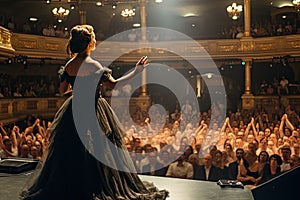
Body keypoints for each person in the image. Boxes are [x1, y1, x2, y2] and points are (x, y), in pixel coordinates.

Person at [20, 24, 168, 200]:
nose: (95, 40)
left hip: (73, 110)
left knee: (72, 149)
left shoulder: (69, 65)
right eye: (93, 38)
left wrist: (80, 89)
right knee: (99, 150)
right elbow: (114, 85)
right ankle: (94, 187)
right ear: (88, 43)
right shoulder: (93, 65)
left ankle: (73, 186)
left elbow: (62, 90)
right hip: (93, 109)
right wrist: (137, 71)